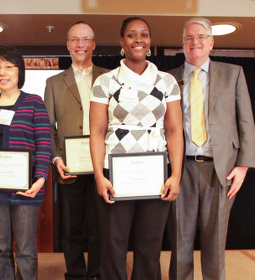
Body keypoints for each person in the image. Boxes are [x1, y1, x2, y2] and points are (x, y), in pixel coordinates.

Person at [89, 17, 184, 280]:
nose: (138, 40)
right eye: (131, 35)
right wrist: (99, 176)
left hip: (155, 173)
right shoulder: (105, 82)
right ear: (122, 41)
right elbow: (97, 132)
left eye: (144, 34)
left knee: (150, 246)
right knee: (114, 245)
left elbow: (174, 131)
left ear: (150, 41)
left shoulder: (166, 82)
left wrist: (175, 175)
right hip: (115, 173)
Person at [168, 17, 255, 280]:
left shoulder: (233, 73)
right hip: (180, 170)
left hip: (221, 171)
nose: (195, 42)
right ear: (182, 43)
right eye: (189, 38)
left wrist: (243, 165)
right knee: (179, 242)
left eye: (201, 36)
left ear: (211, 42)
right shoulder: (168, 79)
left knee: (215, 243)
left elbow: (246, 122)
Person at [0, 46, 51, 280]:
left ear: (19, 71)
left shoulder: (34, 103)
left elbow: (44, 143)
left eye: (8, 66)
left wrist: (41, 178)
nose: (2, 72)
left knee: (26, 249)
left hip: (27, 189)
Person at [44, 21, 107, 280]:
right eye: (75, 40)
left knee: (99, 226)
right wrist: (56, 158)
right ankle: (77, 274)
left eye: (85, 39)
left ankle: (97, 273)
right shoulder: (53, 82)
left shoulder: (109, 77)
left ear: (93, 44)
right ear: (68, 45)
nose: (80, 44)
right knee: (70, 227)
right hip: (68, 166)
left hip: (101, 166)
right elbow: (48, 126)